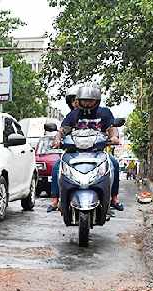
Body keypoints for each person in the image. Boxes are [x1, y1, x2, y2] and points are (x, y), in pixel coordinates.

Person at [48, 83, 123, 212]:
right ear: (79, 100)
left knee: (114, 164)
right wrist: (57, 139)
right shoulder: (73, 115)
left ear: (97, 100)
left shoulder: (104, 113)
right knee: (56, 166)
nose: (87, 104)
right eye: (84, 100)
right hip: (74, 152)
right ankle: (55, 200)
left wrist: (114, 137)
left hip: (97, 152)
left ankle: (114, 198)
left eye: (90, 101)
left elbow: (112, 129)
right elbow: (63, 130)